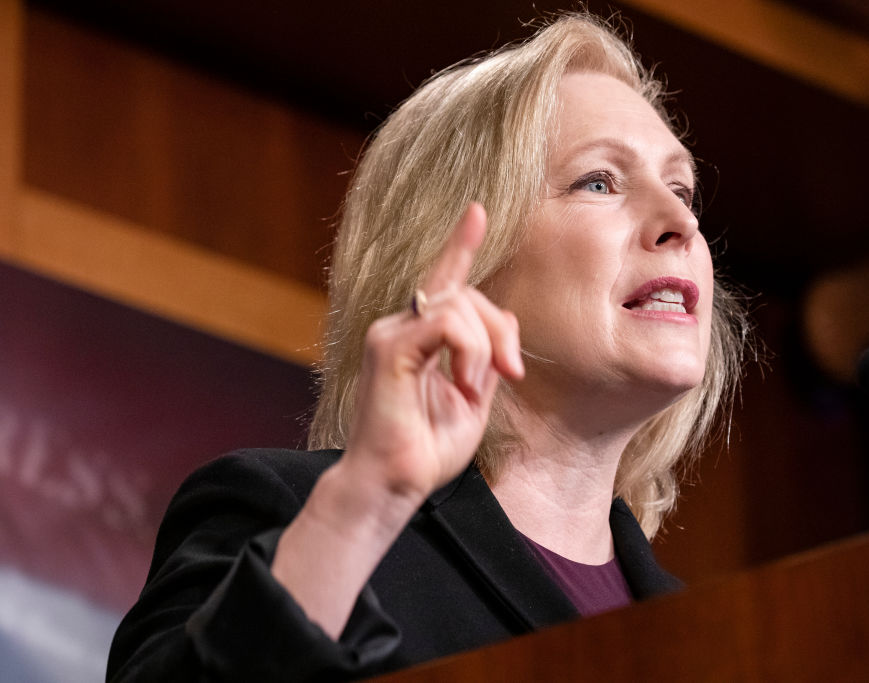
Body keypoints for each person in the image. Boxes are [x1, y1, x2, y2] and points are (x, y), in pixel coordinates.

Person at [107, 12, 748, 682]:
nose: (681, 221)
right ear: (460, 255)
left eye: (682, 189)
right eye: (599, 181)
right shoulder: (297, 518)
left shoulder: (720, 639)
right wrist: (360, 506)